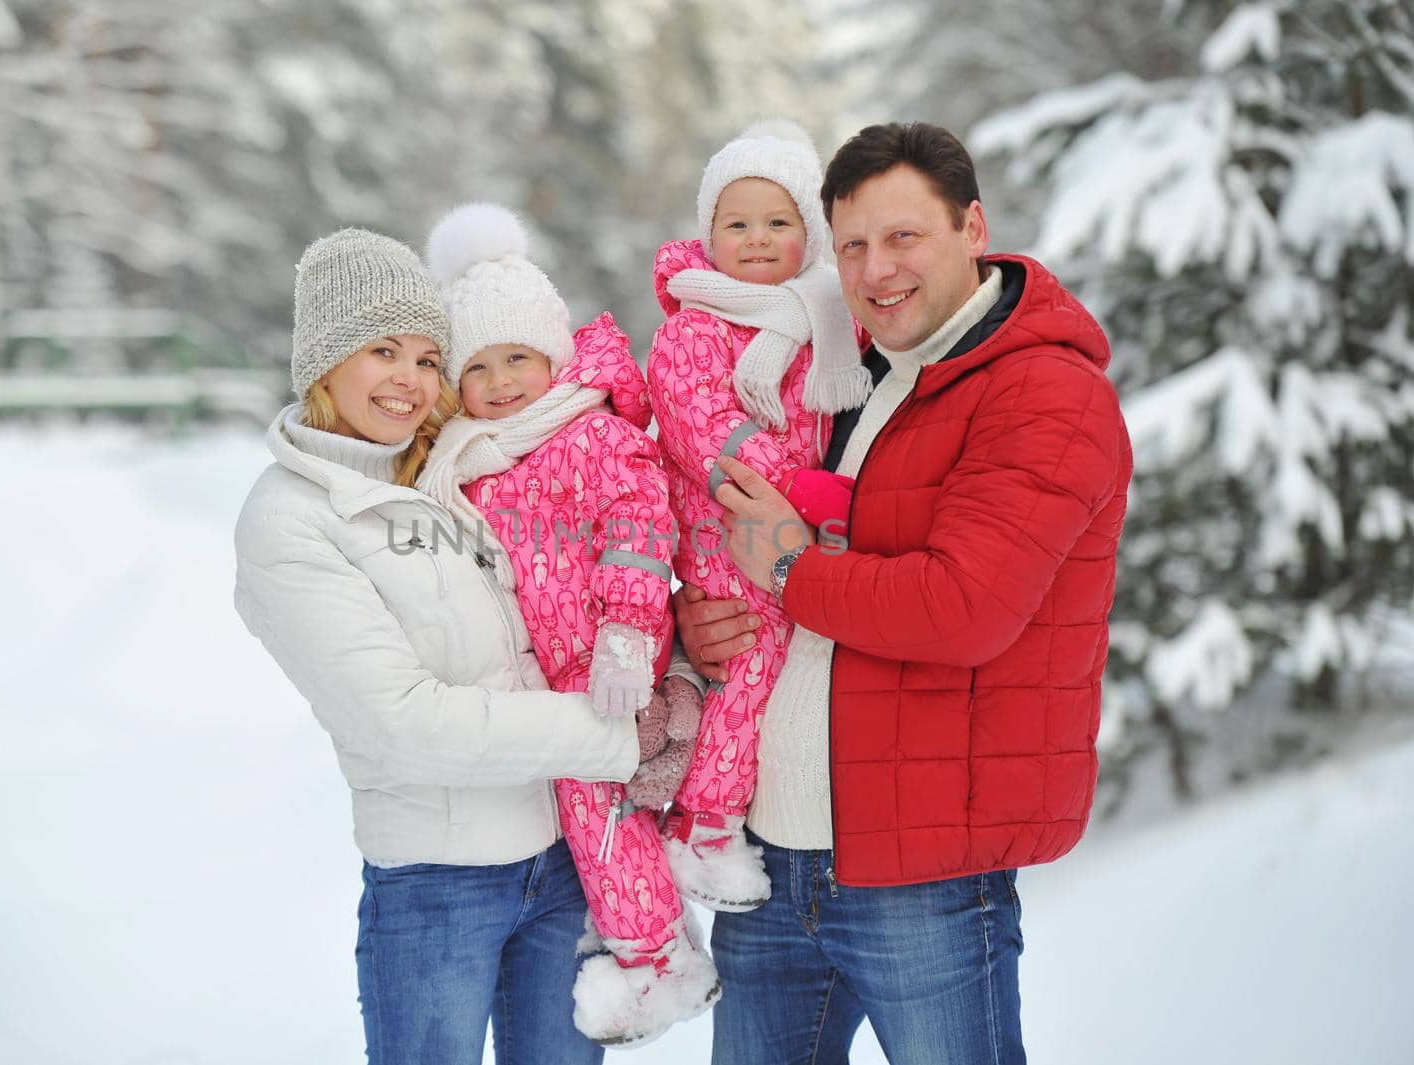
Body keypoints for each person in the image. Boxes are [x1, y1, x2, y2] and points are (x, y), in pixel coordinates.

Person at [680, 122, 1133, 1064]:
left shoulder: (1045, 393)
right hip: (772, 858)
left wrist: (785, 568)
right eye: (850, 245)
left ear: (973, 226)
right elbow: (765, 532)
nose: (875, 270)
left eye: (903, 237)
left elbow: (962, 606)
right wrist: (702, 618)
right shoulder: (855, 375)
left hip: (920, 881)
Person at [232, 226, 639, 1065]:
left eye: (427, 358)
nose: (411, 381)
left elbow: (564, 614)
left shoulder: (446, 474)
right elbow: (406, 722)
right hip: (437, 888)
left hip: (559, 865)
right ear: (325, 362)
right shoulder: (291, 519)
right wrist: (620, 736)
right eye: (384, 350)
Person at [414, 202, 719, 1048]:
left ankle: (658, 955)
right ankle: (642, 920)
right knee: (599, 814)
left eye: (519, 357)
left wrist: (626, 631)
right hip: (553, 677)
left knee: (597, 808)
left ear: (552, 354)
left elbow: (641, 522)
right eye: (481, 367)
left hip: (606, 662)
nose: (504, 381)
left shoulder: (586, 432)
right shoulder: (476, 458)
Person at [644, 121, 871, 914]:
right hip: (723, 531)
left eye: (778, 222)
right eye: (736, 223)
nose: (757, 239)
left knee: (777, 665)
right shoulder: (690, 330)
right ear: (708, 234)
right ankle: (702, 825)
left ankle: (716, 815)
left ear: (808, 234)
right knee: (751, 662)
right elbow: (714, 439)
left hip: (791, 535)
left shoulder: (824, 321)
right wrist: (809, 493)